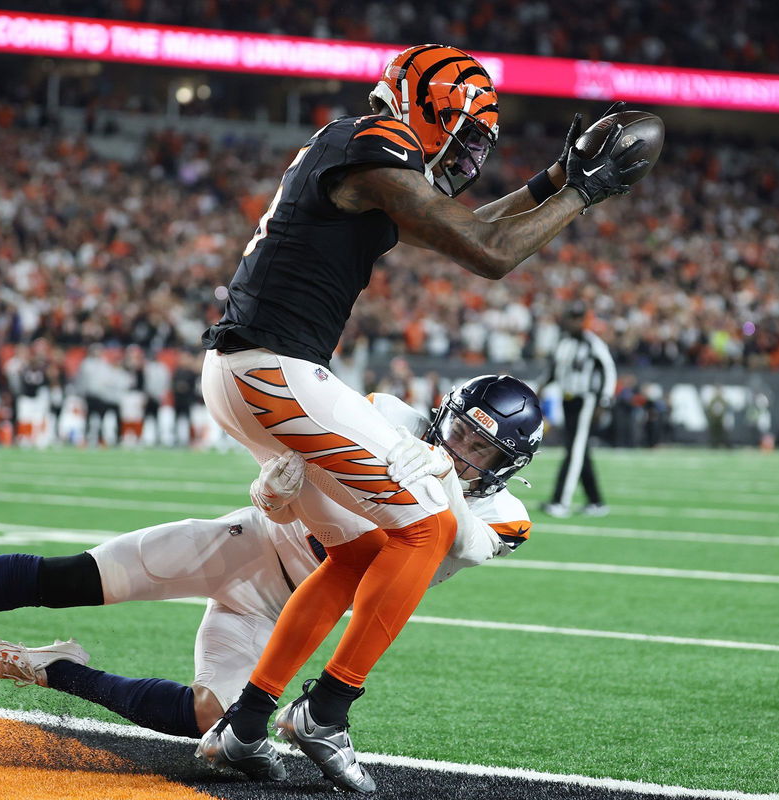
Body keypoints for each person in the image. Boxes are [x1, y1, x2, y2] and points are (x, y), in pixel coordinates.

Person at [197, 42, 647, 790]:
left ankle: (245, 727)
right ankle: (326, 711)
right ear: (420, 102)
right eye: (464, 131)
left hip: (255, 369)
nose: (468, 153)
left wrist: (556, 180)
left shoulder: (363, 155)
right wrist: (584, 194)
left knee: (358, 551)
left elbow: (466, 229)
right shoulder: (372, 143)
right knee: (428, 527)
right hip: (271, 368)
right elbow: (487, 252)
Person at [0, 380, 537, 753]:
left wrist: (440, 479)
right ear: (444, 412)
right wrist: (278, 484)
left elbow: (461, 541)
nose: (467, 455)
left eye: (484, 452)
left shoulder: (500, 516)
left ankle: (53, 670)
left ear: (508, 466)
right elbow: (306, 468)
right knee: (66, 578)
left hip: (281, 614)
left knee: (210, 721)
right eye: (462, 437)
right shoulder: (387, 417)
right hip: (248, 542)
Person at [541, 306, 616, 518]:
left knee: (574, 451)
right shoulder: (564, 343)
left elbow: (608, 370)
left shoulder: (593, 343)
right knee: (580, 451)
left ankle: (561, 502)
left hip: (586, 400)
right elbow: (554, 371)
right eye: (569, 318)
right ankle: (596, 502)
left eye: (576, 318)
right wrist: (539, 387)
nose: (572, 322)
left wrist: (604, 401)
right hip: (567, 400)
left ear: (583, 320)